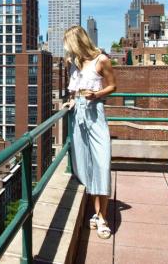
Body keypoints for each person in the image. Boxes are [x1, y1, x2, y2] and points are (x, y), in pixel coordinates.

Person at [62, 25, 116, 239]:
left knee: (102, 163)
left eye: (69, 46)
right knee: (86, 165)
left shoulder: (101, 59)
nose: (68, 51)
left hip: (95, 115)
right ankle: (98, 213)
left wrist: (97, 94)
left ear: (78, 42)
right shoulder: (74, 63)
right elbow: (74, 90)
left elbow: (113, 86)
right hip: (79, 116)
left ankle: (102, 217)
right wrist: (71, 101)